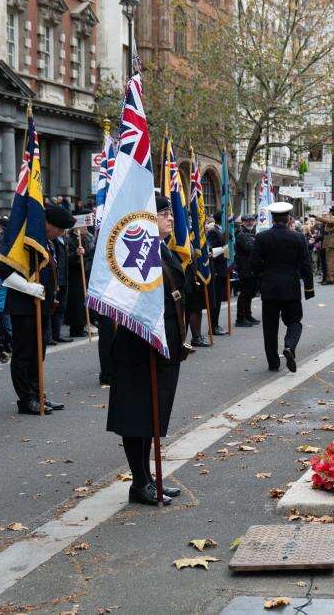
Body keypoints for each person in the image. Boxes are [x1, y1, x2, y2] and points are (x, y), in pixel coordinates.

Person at [107, 195, 189, 506]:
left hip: (163, 346)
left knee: (152, 417)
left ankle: (147, 478)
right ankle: (139, 482)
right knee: (137, 417)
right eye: (164, 214)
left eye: (169, 213)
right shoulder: (139, 253)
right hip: (139, 348)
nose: (170, 219)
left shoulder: (162, 249)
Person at [0, 204, 73, 415]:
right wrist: (27, 287)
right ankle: (26, 398)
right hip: (25, 306)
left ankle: (38, 393)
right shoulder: (23, 240)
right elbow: (2, 267)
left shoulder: (48, 242)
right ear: (48, 224)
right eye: (59, 228)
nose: (61, 233)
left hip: (43, 307)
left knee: (38, 353)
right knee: (24, 354)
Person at [250, 202, 314, 372]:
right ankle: (289, 346)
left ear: (272, 219)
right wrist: (309, 288)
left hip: (270, 287)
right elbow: (306, 265)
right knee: (294, 322)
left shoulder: (262, 238)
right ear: (288, 219)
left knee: (270, 327)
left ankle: (273, 363)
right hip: (290, 287)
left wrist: (261, 279)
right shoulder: (298, 237)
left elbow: (254, 265)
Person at [65, 227, 92, 339]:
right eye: (84, 227)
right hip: (74, 276)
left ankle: (82, 326)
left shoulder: (85, 239)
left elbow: (88, 255)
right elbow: (66, 258)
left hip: (83, 273)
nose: (86, 228)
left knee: (83, 302)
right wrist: (76, 254)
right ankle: (75, 328)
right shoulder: (69, 240)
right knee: (75, 303)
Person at [234, 215, 260, 327]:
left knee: (250, 293)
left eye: (252, 220)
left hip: (252, 267)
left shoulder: (252, 233)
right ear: (243, 222)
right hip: (245, 268)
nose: (250, 223)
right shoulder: (241, 234)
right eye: (247, 221)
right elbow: (250, 247)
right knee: (245, 293)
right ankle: (240, 318)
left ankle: (248, 315)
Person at [206, 216, 229, 335]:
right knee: (215, 300)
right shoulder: (214, 232)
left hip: (222, 269)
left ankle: (216, 325)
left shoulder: (221, 231)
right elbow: (210, 251)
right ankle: (213, 326)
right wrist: (224, 249)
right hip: (216, 269)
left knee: (219, 299)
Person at [316, 209, 334, 284]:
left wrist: (317, 217)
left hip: (331, 242)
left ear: (331, 213)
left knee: (330, 262)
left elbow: (328, 221)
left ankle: (330, 278)